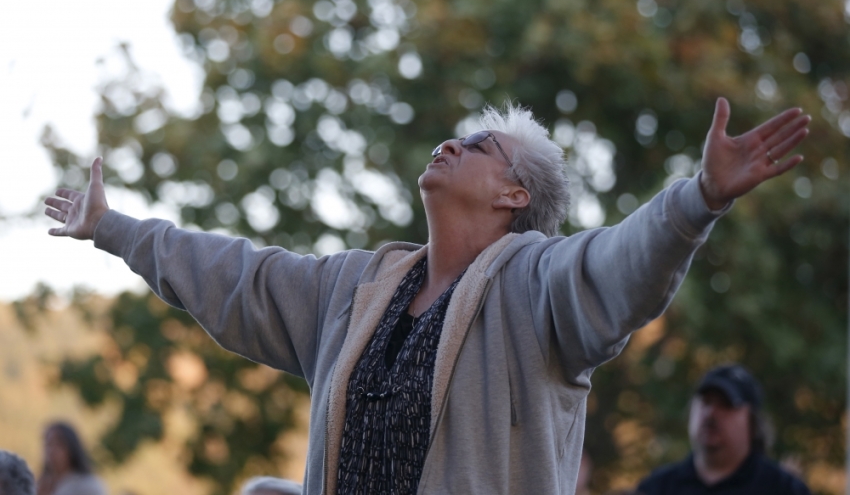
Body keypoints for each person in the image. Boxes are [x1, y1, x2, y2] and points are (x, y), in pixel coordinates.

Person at [44, 99, 808, 494]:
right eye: (454, 136)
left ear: (515, 194)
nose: (450, 143)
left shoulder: (539, 286)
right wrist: (113, 228)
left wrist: (700, 196)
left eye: (478, 146)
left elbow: (619, 265)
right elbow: (239, 275)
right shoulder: (357, 287)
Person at [637, 364, 811, 494]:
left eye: (726, 404)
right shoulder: (657, 488)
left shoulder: (783, 489)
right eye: (706, 402)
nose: (711, 413)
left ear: (752, 422)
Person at [35, 423, 106, 495]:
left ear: (71, 447)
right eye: (48, 444)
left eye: (58, 444)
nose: (52, 450)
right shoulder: (42, 485)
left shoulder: (88, 486)